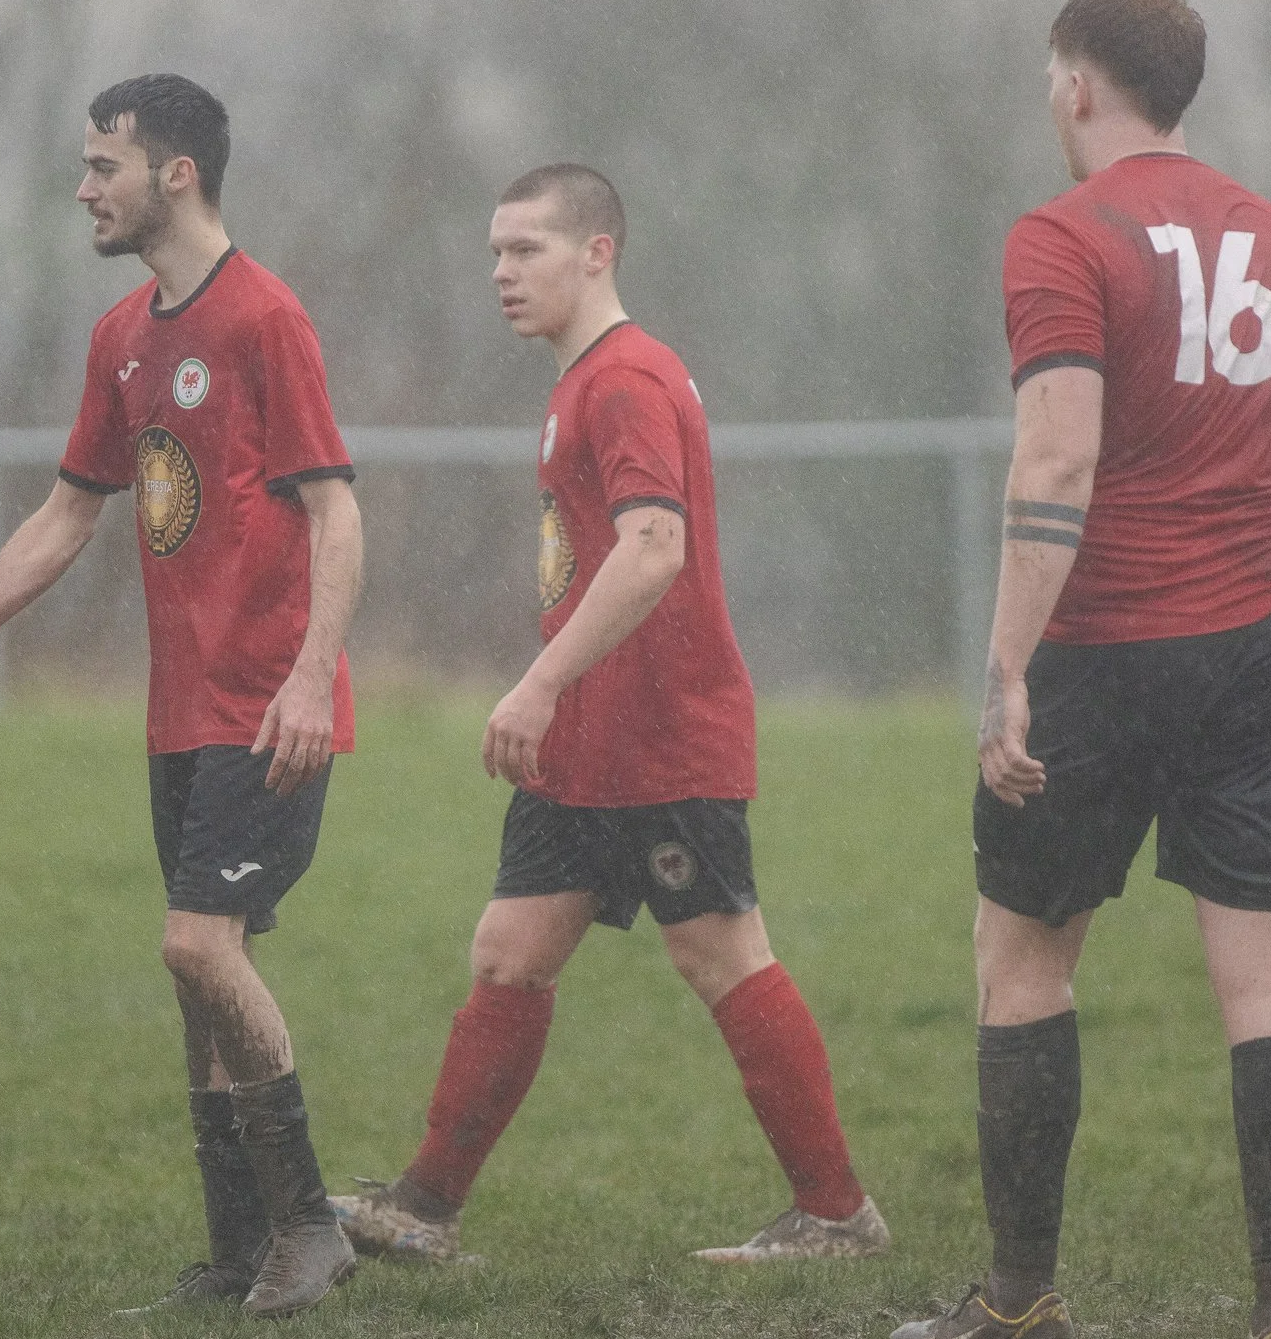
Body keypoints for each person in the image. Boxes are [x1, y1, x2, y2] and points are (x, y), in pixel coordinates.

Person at [889, 0, 1271, 1339]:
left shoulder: (1062, 236)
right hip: (1267, 644)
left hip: (1103, 645)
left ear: (1079, 85)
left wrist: (1006, 667)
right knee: (1270, 981)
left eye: (1053, 81)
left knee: (1023, 956)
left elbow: (1059, 458)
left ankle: (1023, 1299)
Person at [330, 164, 888, 1269]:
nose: (500, 272)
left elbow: (652, 546)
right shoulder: (581, 380)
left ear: (597, 253)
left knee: (721, 957)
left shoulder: (625, 379)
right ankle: (424, 1208)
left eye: (526, 249)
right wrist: (555, 699)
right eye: (493, 250)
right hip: (582, 745)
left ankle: (835, 1215)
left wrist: (537, 681)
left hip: (661, 736)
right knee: (508, 953)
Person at [0, 74, 364, 1318]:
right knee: (195, 979)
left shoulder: (266, 318)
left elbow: (337, 510)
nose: (83, 188)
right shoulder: (122, 337)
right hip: (180, 716)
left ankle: (312, 1228)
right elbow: (70, 514)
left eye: (102, 164)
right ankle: (240, 1251)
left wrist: (313, 677)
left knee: (196, 942)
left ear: (175, 173)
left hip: (266, 709)